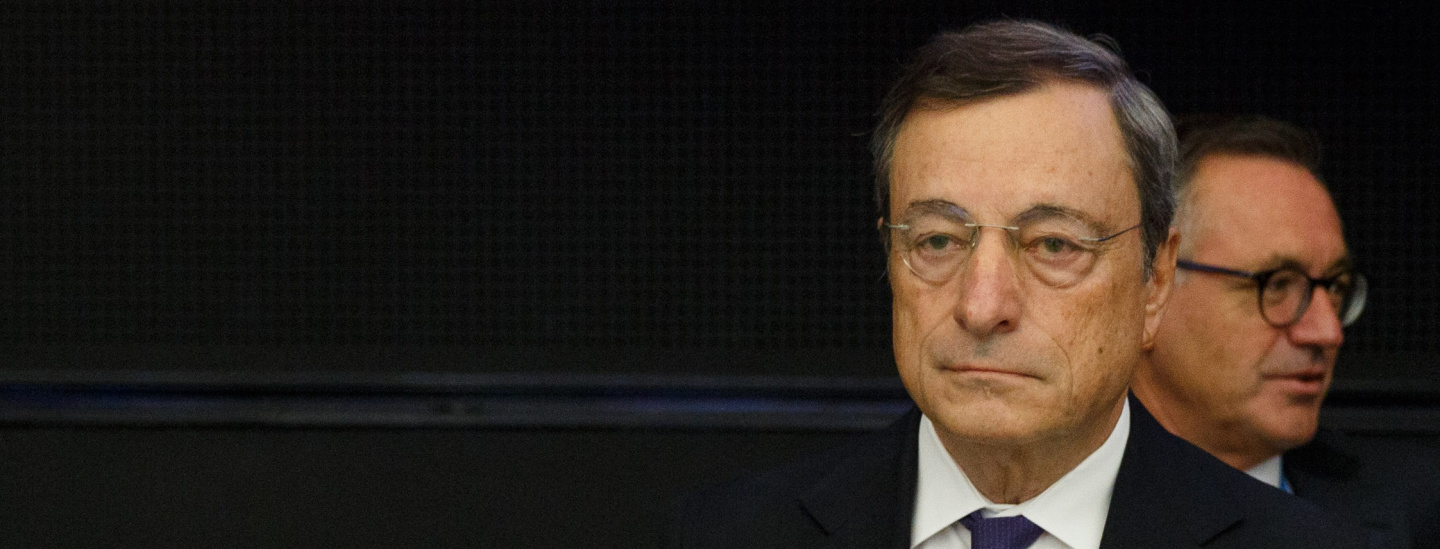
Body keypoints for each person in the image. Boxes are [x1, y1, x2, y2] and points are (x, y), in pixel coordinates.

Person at [667, 20, 1363, 549]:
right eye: (938, 240)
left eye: (1054, 245)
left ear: (1155, 279)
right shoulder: (728, 533)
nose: (982, 306)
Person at [1133, 114, 1440, 548]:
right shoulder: (1047, 504)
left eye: (1335, 287)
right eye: (1277, 285)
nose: (1327, 332)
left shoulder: (1417, 512)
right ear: (1153, 285)